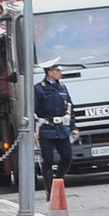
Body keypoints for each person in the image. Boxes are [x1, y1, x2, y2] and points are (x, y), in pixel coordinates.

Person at [34, 58, 78, 198]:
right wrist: (34, 130)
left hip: (61, 129)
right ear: (50, 72)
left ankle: (57, 181)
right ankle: (50, 191)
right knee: (48, 159)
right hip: (46, 129)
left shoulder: (62, 87)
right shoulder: (39, 88)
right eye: (58, 70)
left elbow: (70, 108)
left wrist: (73, 127)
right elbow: (32, 110)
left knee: (67, 157)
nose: (61, 73)